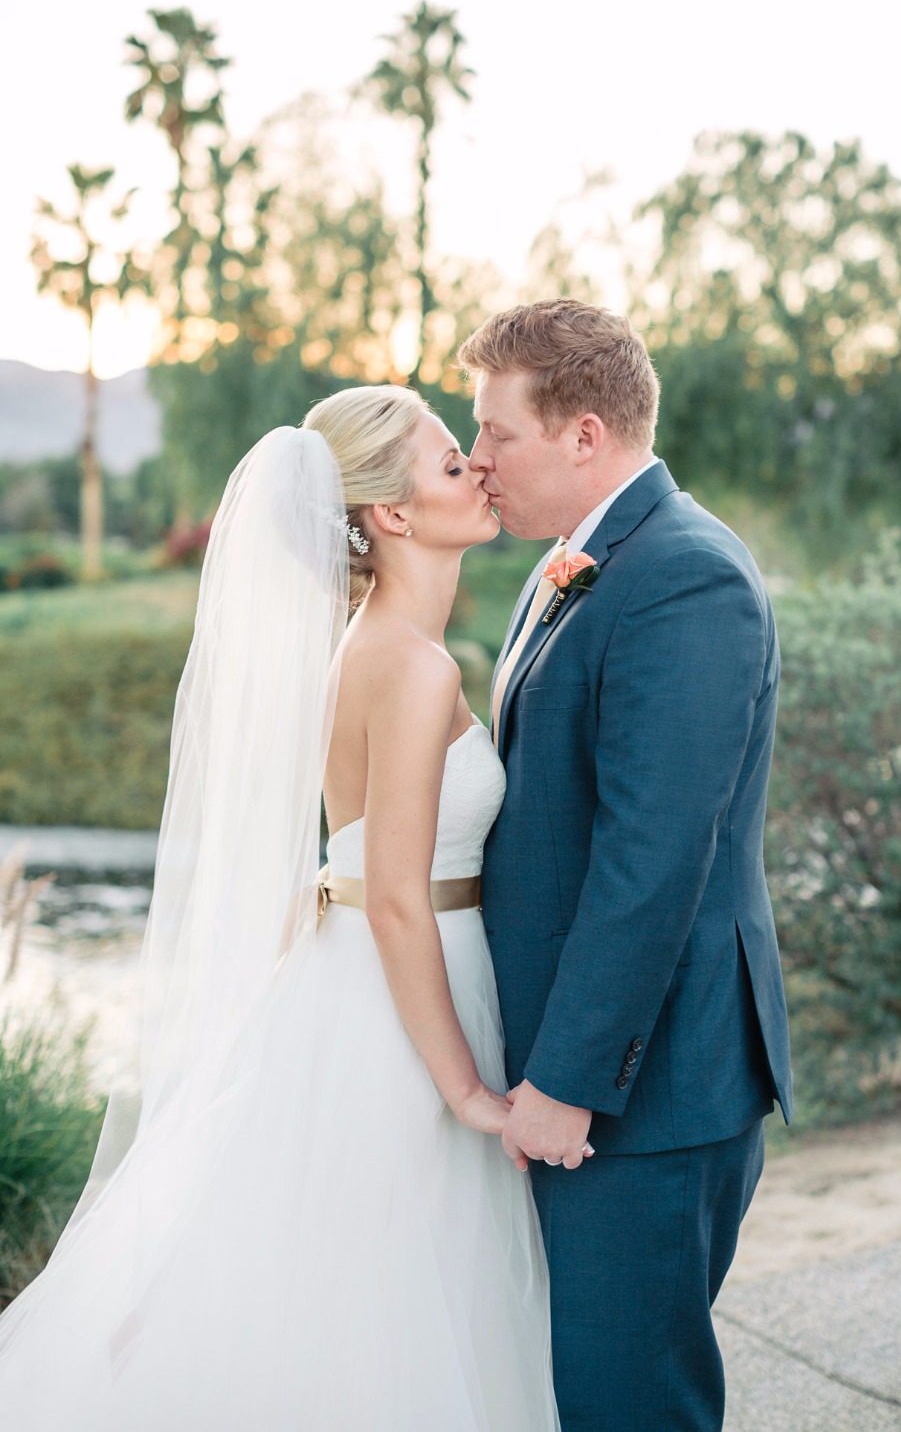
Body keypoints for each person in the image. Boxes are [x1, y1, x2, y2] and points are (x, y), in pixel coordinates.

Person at [0, 386, 561, 1431]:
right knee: (393, 1298)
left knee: (333, 1281)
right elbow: (395, 897)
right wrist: (466, 1093)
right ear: (390, 515)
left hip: (357, 981)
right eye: (451, 463)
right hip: (403, 1008)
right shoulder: (412, 666)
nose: (476, 469)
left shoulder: (362, 646)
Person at [459, 299, 794, 1432]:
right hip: (585, 1072)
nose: (477, 457)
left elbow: (651, 862)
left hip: (641, 1094)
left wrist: (565, 1081)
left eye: (496, 431)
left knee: (626, 1405)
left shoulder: (684, 577)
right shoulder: (579, 561)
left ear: (584, 435)